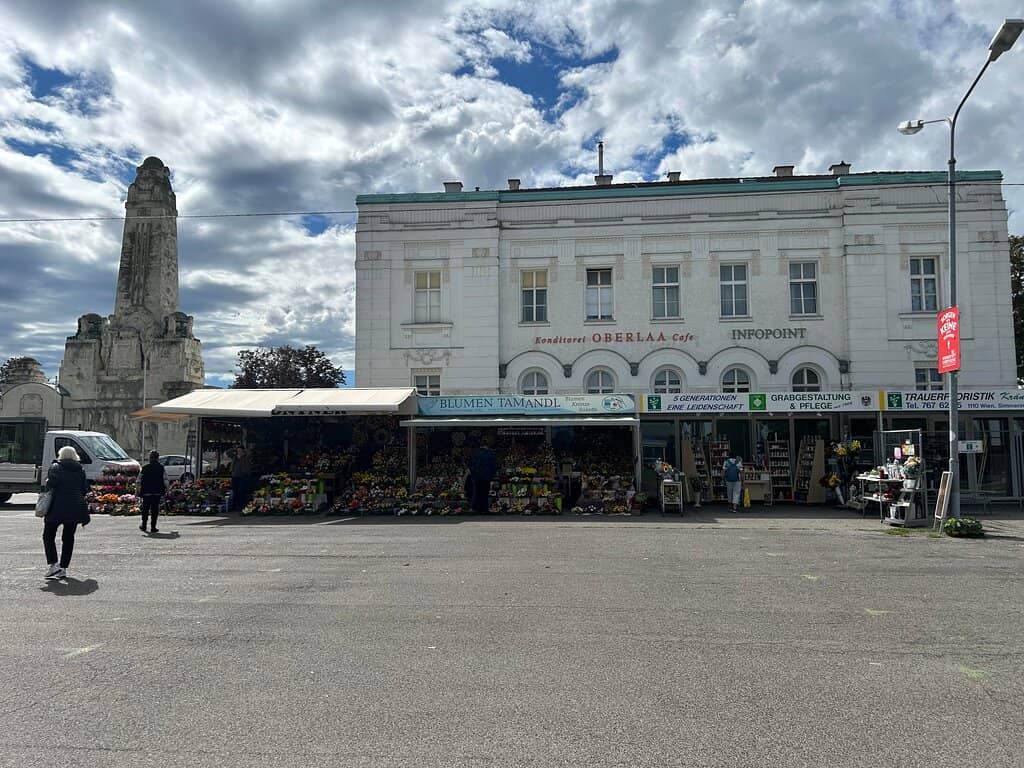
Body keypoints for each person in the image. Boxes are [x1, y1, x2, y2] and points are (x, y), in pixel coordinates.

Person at [42, 445, 90, 579]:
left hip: (56, 506)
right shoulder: (80, 469)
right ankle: (63, 568)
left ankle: (53, 564)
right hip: (74, 507)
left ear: (60, 455)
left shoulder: (55, 467)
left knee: (48, 535)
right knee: (68, 538)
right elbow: (85, 488)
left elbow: (51, 484)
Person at [138, 450, 167, 533]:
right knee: (155, 509)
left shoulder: (145, 467)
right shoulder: (161, 468)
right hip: (157, 491)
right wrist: (167, 489)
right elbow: (165, 480)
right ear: (158, 458)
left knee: (145, 509)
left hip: (146, 491)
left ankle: (144, 525)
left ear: (150, 458)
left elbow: (138, 480)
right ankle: (153, 527)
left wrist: (138, 490)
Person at [469, 439, 498, 514]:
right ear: (487, 445)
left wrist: (473, 474)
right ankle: (484, 508)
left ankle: (476, 508)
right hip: (487, 476)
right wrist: (493, 474)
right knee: (485, 492)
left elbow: (473, 465)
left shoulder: (476, 453)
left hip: (477, 476)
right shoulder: (491, 453)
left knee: (477, 492)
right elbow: (493, 465)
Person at [230, 445, 252, 512]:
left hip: (243, 476)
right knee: (235, 491)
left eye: (240, 451)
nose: (239, 452)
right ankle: (234, 506)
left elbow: (250, 453)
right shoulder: (234, 457)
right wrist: (234, 448)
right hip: (234, 476)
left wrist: (244, 451)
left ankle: (241, 506)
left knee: (241, 491)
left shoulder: (245, 457)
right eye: (238, 451)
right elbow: (228, 452)